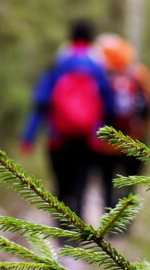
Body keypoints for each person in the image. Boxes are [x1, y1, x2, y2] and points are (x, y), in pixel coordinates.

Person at [20, 20, 114, 219]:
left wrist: (28, 137)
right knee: (81, 184)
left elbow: (41, 102)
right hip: (90, 139)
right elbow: (109, 106)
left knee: (62, 185)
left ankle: (62, 231)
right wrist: (109, 135)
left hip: (58, 138)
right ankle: (77, 230)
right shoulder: (98, 66)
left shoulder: (58, 64)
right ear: (91, 38)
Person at [93, 33, 150, 209]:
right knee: (131, 184)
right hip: (134, 140)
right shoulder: (140, 73)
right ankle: (126, 223)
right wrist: (145, 133)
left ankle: (109, 220)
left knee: (107, 183)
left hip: (107, 142)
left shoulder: (100, 74)